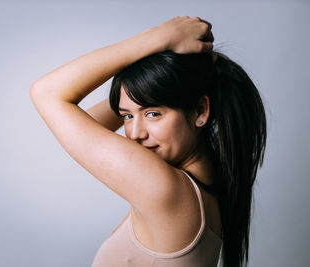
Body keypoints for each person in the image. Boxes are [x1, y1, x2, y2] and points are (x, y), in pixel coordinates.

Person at [30, 16, 266, 267]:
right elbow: (85, 129)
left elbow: (47, 93)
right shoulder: (205, 184)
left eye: (153, 113)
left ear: (200, 111)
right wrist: (147, 87)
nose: (135, 133)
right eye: (127, 116)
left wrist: (158, 38)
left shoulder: (166, 189)